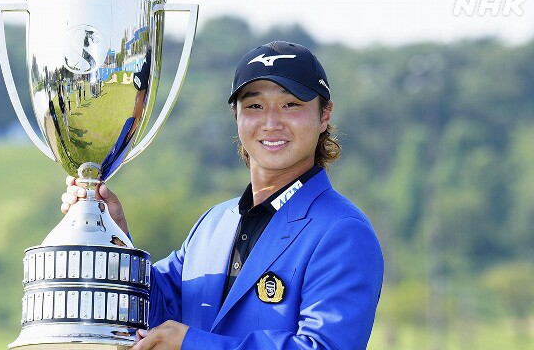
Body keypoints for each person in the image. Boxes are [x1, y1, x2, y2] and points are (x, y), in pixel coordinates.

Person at [61, 41, 384, 350]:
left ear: (324, 114)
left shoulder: (343, 232)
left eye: (291, 105)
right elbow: (151, 308)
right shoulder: (214, 223)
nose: (271, 123)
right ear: (237, 116)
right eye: (255, 106)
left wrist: (192, 345)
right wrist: (113, 236)